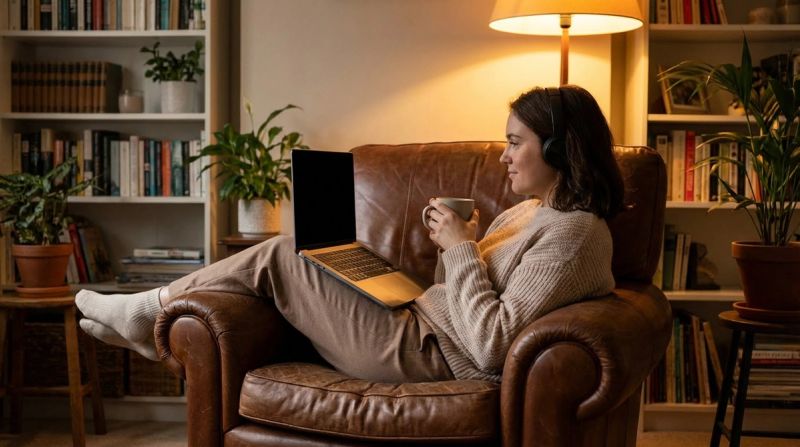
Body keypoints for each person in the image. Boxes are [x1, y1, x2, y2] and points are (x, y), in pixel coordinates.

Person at [76, 85, 624, 384]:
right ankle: (154, 321)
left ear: (558, 149)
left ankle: (148, 312)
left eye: (515, 142)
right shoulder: (530, 212)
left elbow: (491, 346)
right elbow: (458, 295)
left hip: (427, 354)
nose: (503, 156)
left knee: (282, 255)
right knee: (335, 254)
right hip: (418, 321)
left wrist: (462, 250)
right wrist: (455, 248)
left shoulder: (575, 234)